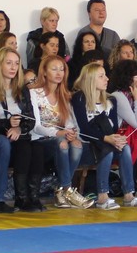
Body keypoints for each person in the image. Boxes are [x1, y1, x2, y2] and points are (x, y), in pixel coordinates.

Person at [29, 55, 92, 209]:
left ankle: (60, 190)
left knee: (77, 144)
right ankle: (68, 190)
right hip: (40, 139)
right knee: (62, 143)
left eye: (62, 69)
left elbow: (70, 123)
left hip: (61, 137)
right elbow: (35, 126)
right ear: (44, 72)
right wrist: (59, 134)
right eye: (54, 69)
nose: (59, 73)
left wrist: (71, 133)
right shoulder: (34, 93)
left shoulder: (65, 95)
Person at [0, 46, 45, 213]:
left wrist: (19, 127)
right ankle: (21, 198)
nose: (13, 67)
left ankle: (33, 197)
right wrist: (7, 124)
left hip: (20, 136)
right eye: (9, 63)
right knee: (24, 149)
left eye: (16, 63)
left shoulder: (22, 90)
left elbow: (31, 118)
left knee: (38, 148)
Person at [72, 62, 135, 210]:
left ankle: (129, 194)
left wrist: (116, 138)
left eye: (105, 75)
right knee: (107, 150)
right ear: (90, 79)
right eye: (101, 76)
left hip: (106, 142)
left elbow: (113, 128)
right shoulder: (79, 98)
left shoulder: (110, 100)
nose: (107, 79)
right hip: (87, 145)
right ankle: (102, 195)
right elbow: (84, 129)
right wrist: (107, 138)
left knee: (125, 148)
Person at [106, 58, 137, 208]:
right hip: (118, 137)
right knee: (128, 149)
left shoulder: (132, 93)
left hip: (130, 136)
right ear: (128, 77)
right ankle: (130, 191)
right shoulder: (119, 96)